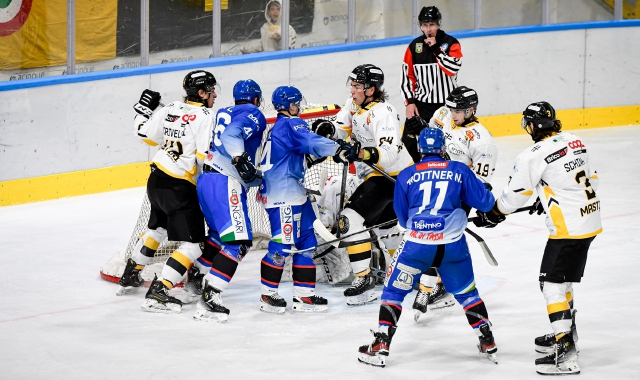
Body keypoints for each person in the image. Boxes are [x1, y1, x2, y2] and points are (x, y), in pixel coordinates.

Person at [473, 101, 601, 375]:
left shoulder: (532, 155)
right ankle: (567, 334)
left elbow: (516, 195)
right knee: (563, 280)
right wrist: (547, 199)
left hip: (568, 229)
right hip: (589, 218)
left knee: (550, 284)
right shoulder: (575, 141)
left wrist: (494, 213)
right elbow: (590, 177)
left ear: (532, 125)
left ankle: (565, 353)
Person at [357, 127, 499, 368]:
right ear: (443, 149)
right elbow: (486, 203)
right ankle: (487, 339)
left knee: (393, 292)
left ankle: (381, 344)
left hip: (417, 247)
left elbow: (402, 220)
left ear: (420, 150)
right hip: (453, 246)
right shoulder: (460, 170)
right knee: (467, 294)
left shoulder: (406, 175)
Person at [116, 70, 217, 315]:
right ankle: (160, 291)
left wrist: (141, 111)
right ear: (202, 93)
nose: (215, 94)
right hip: (179, 186)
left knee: (157, 230)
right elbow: (205, 158)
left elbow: (145, 135)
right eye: (211, 90)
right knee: (194, 244)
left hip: (157, 179)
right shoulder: (206, 116)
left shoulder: (171, 107)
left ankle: (131, 273)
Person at [313, 64, 414, 306]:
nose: (352, 91)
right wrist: (330, 129)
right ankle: (404, 276)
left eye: (357, 86)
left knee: (349, 221)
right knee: (385, 227)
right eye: (352, 85)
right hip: (378, 175)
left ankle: (364, 280)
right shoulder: (354, 105)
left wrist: (361, 152)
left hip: (393, 177)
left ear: (371, 89)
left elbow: (388, 153)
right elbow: (341, 127)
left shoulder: (384, 112)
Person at [256, 85, 355, 313]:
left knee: (306, 240)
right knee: (283, 245)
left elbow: (298, 154)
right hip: (284, 194)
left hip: (294, 191)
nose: (299, 107)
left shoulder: (279, 128)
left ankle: (304, 296)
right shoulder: (291, 123)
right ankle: (267, 295)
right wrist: (339, 148)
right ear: (290, 105)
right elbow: (312, 142)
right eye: (297, 103)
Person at [411, 86, 499, 320]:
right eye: (451, 108)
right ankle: (436, 284)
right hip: (433, 183)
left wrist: (484, 207)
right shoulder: (442, 114)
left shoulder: (482, 141)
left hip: (458, 193)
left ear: (471, 110)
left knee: (437, 238)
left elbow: (478, 184)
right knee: (426, 234)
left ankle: (431, 287)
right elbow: (431, 144)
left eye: (459, 110)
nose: (453, 114)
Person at [192, 79, 268, 322]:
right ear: (256, 99)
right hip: (225, 183)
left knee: (216, 236)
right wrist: (240, 159)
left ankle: (196, 277)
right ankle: (210, 296)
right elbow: (232, 135)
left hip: (206, 180)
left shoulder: (223, 111)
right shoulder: (254, 112)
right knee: (239, 243)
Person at [401, 6, 463, 163]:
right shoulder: (414, 47)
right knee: (408, 141)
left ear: (438, 24)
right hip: (422, 105)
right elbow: (408, 77)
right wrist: (410, 102)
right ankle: (419, 171)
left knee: (448, 145)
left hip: (446, 106)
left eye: (432, 25)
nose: (428, 29)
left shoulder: (451, 43)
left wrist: (436, 49)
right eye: (425, 25)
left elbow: (452, 69)